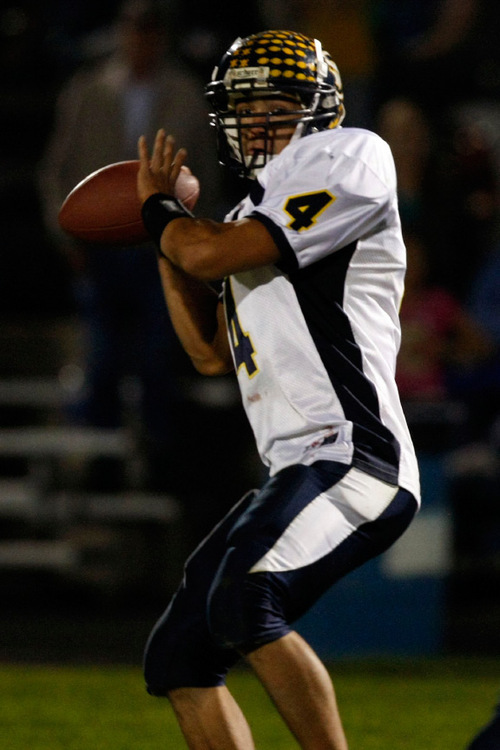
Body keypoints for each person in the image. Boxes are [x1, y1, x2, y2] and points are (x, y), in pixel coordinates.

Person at [135, 30, 420, 749]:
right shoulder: (242, 218)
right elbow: (206, 353)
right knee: (180, 657)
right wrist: (167, 238)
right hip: (297, 464)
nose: (258, 119)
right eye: (245, 105)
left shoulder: (352, 155)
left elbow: (206, 250)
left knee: (246, 598)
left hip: (358, 456)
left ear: (320, 109)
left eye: (276, 104)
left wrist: (164, 220)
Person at [38, 0, 222, 492]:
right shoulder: (88, 91)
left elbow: (209, 179)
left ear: (161, 35)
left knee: (160, 357)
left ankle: (160, 461)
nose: (140, 39)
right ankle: (101, 461)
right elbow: (56, 170)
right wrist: (67, 235)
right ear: (121, 32)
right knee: (101, 358)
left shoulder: (185, 96)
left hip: (161, 250)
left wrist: (195, 246)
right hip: (100, 251)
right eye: (133, 29)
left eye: (150, 30)